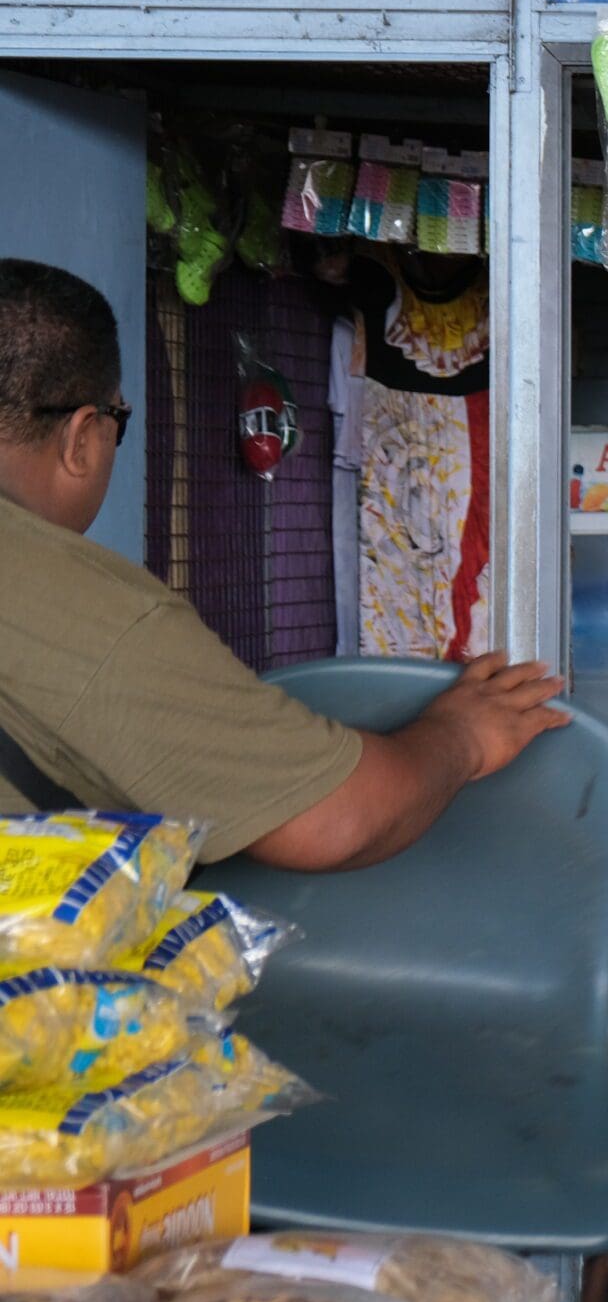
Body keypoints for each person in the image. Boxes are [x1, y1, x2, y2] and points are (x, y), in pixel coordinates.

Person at [0, 259, 567, 867]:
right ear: (82, 436)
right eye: (121, 420)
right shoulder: (85, 612)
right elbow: (332, 818)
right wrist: (464, 738)